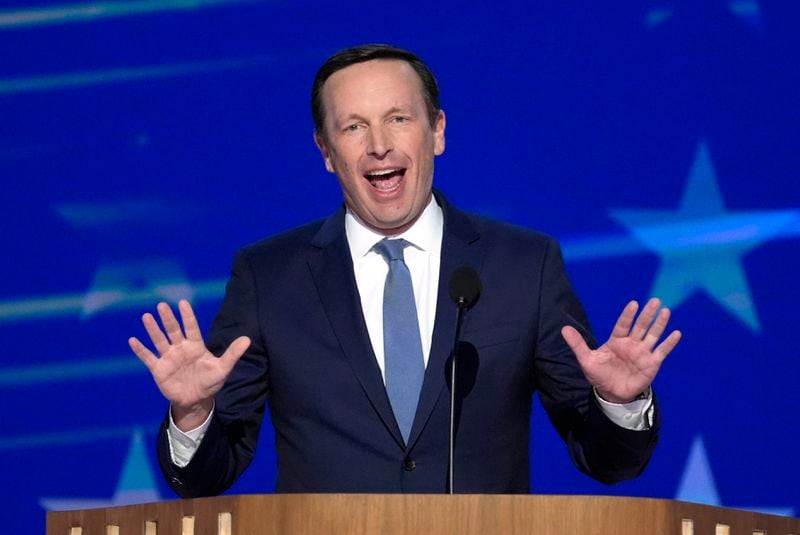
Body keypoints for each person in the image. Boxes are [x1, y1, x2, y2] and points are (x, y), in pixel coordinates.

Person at [128, 44, 681, 496]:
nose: (379, 146)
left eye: (398, 118)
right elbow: (205, 478)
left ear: (437, 130)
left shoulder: (522, 265)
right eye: (353, 127)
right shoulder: (269, 276)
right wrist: (193, 413)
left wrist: (620, 402)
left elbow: (608, 463)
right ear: (325, 150)